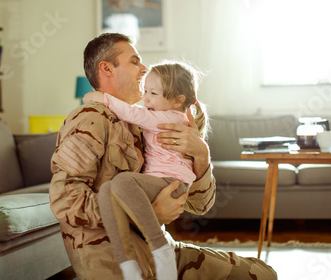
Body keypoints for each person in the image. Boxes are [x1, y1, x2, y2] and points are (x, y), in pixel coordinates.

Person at [49, 32, 277, 279]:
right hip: (115, 258)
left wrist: (200, 155)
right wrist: (148, 212)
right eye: (134, 61)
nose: (144, 68)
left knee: (262, 274)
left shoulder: (147, 120)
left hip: (162, 250)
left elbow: (200, 205)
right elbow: (66, 201)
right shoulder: (89, 118)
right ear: (107, 69)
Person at [83, 61, 209, 280]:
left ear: (177, 100)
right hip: (158, 181)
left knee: (122, 182)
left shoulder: (169, 118)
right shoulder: (164, 114)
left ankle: (161, 250)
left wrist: (102, 98)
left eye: (153, 93)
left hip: (172, 182)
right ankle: (128, 265)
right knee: (106, 191)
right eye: (145, 92)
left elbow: (133, 114)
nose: (146, 99)